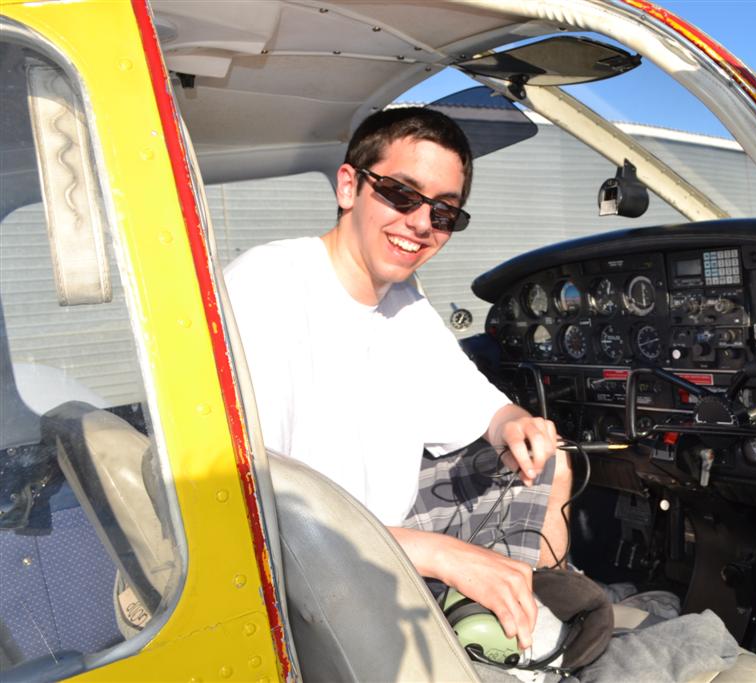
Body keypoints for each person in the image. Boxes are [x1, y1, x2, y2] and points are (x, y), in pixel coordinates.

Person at [225, 107, 571, 651]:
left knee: (550, 462)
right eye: (402, 194)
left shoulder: (403, 300)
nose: (420, 224)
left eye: (444, 213)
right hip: (318, 562)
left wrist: (514, 422)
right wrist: (438, 553)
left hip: (386, 522)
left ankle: (525, 617)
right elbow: (257, 514)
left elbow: (471, 399)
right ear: (349, 185)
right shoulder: (265, 289)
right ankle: (519, 640)